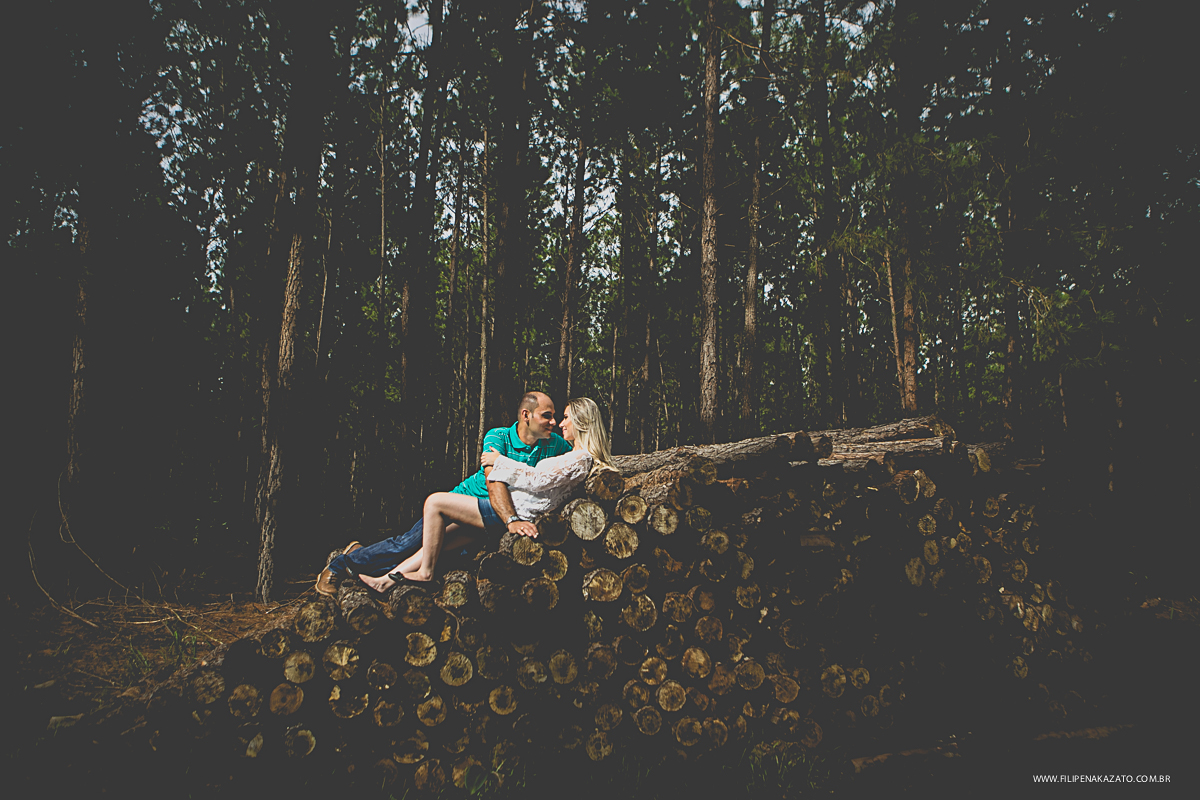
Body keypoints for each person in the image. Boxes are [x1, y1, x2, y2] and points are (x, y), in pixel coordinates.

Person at [316, 391, 571, 596]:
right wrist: (511, 520)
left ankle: (361, 554)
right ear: (526, 415)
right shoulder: (499, 436)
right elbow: (494, 482)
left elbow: (580, 453)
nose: (553, 422)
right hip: (463, 504)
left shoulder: (555, 445)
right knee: (408, 544)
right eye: (546, 416)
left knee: (441, 558)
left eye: (555, 417)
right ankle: (340, 565)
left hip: (485, 520)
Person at [358, 396, 613, 591]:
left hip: (513, 511)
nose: (561, 423)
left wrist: (499, 461)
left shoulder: (580, 458)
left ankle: (425, 573)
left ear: (582, 422)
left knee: (434, 502)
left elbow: (537, 479)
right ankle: (385, 581)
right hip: (514, 509)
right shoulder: (573, 455)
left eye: (567, 417)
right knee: (439, 542)